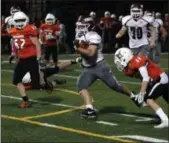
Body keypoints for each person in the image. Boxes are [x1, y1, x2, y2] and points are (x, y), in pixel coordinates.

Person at [74, 17, 138, 120]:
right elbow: (83, 52)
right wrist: (81, 58)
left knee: (115, 86)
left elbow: (91, 53)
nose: (79, 28)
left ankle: (133, 96)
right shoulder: (79, 35)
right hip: (88, 68)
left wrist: (78, 48)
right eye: (79, 26)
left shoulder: (94, 36)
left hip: (100, 66)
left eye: (82, 26)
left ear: (89, 26)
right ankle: (90, 110)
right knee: (81, 86)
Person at [114, 47, 168, 128]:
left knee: (149, 99)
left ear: (125, 57)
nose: (118, 62)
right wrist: (142, 95)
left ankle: (165, 120)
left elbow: (145, 77)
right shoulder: (130, 67)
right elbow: (143, 78)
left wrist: (142, 93)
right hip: (155, 81)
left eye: (119, 59)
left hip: (160, 79)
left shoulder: (136, 61)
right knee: (149, 100)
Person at [8, 11, 53, 108]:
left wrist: (39, 57)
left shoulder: (29, 29)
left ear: (26, 20)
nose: (20, 22)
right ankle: (26, 101)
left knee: (35, 85)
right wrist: (14, 53)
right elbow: (15, 43)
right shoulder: (13, 31)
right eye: (18, 20)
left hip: (32, 58)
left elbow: (37, 44)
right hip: (22, 59)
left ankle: (45, 84)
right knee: (16, 80)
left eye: (22, 20)